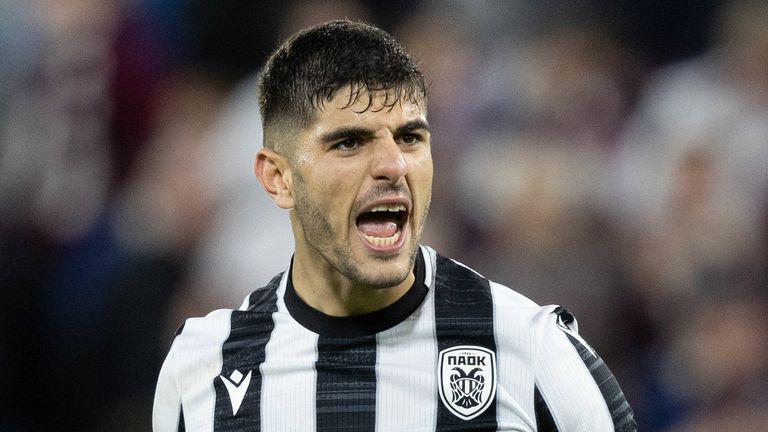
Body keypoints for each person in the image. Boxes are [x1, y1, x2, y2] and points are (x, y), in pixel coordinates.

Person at [152, 20, 637, 431]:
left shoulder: (534, 349)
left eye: (409, 137)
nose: (393, 164)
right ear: (279, 179)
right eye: (348, 142)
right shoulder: (203, 363)